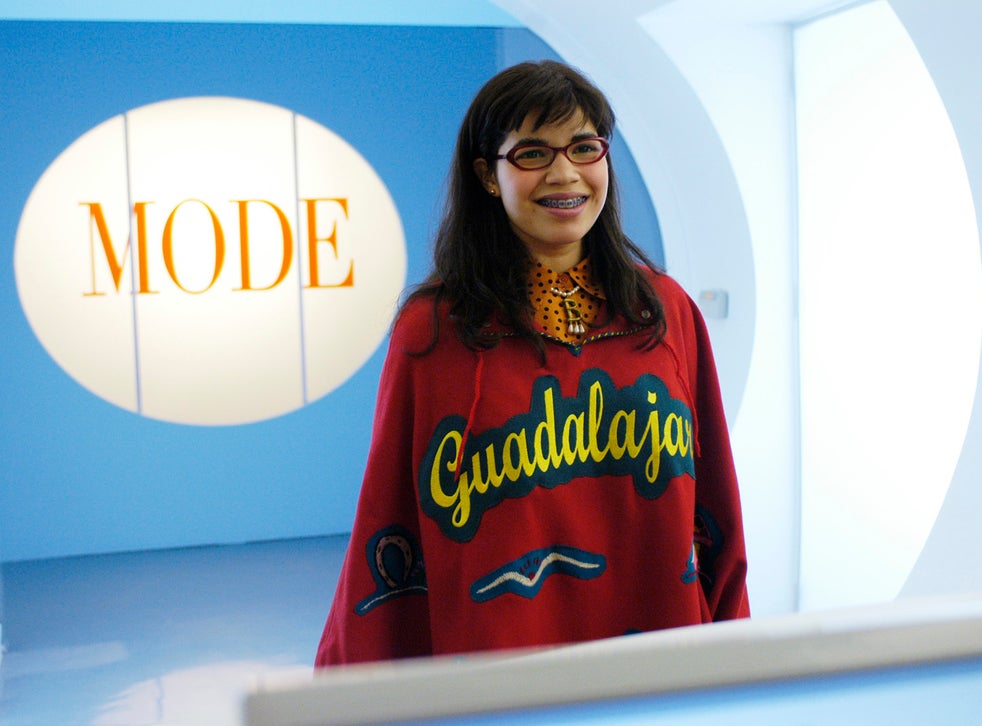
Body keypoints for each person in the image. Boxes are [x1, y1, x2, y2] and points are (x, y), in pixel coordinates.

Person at [315, 60, 749, 666]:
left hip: (659, 656)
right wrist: (360, 683)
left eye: (584, 147)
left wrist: (734, 654)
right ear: (487, 176)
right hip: (503, 670)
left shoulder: (664, 310)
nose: (565, 173)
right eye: (533, 153)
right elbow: (391, 517)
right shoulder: (434, 330)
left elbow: (714, 505)